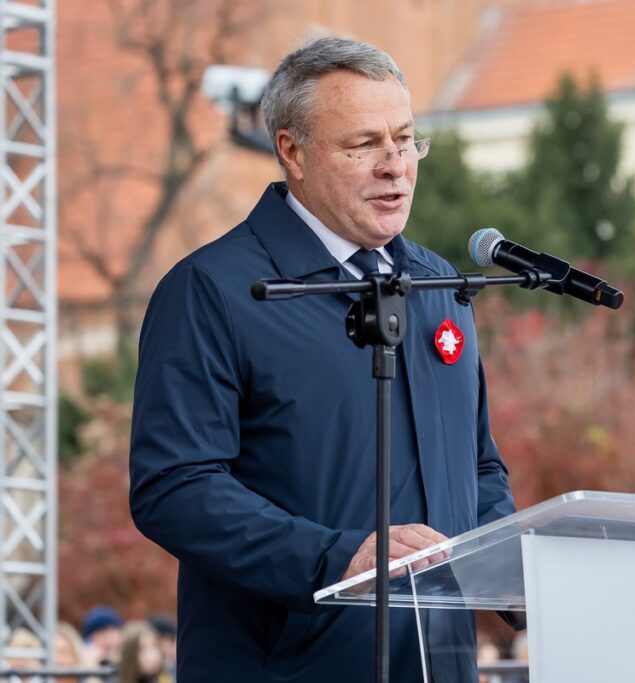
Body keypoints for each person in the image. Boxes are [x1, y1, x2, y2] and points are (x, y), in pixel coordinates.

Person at [129, 36, 517, 682]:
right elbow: (175, 486)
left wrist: (511, 571)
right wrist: (335, 556)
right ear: (292, 151)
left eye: (406, 139)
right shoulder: (213, 290)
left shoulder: (438, 285)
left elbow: (476, 465)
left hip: (441, 666)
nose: (395, 166)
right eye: (363, 145)